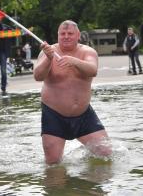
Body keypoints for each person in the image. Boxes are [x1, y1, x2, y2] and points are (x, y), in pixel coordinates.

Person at [34, 20, 111, 165]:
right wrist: (49, 60)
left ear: (78, 35)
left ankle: (88, 184)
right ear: (58, 35)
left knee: (106, 153)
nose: (66, 36)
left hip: (83, 115)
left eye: (70, 33)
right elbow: (38, 76)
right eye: (62, 34)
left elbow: (92, 70)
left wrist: (73, 61)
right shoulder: (48, 51)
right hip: (54, 115)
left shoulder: (87, 52)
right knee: (53, 163)